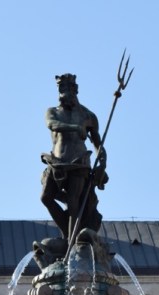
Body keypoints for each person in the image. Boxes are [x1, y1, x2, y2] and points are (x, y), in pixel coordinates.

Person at [40, 73, 108, 240]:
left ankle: (72, 241)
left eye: (66, 88)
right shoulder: (52, 112)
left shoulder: (88, 116)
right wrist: (75, 128)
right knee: (46, 197)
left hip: (79, 163)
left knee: (73, 203)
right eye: (60, 88)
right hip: (57, 162)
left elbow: (98, 144)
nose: (62, 92)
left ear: (74, 90)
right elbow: (52, 124)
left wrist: (103, 163)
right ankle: (69, 234)